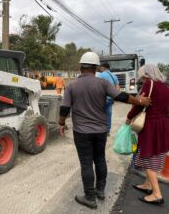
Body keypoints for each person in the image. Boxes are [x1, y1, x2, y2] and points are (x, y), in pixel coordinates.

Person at [58, 51, 151, 209]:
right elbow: (122, 96)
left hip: (81, 132)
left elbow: (65, 108)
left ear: (81, 67)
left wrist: (61, 123)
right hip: (101, 130)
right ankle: (100, 191)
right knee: (100, 159)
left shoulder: (72, 85)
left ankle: (89, 197)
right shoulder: (103, 84)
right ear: (96, 68)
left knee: (86, 163)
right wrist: (140, 101)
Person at [126, 64, 169, 205]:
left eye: (142, 75)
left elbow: (139, 104)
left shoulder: (149, 84)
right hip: (163, 124)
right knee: (157, 153)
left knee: (148, 155)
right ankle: (147, 185)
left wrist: (129, 117)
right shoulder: (164, 86)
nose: (141, 78)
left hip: (151, 125)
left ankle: (157, 194)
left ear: (146, 74)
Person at [97, 62, 120, 135]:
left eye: (100, 67)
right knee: (108, 114)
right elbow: (117, 87)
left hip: (101, 98)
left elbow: (97, 86)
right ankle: (107, 131)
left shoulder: (100, 75)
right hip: (110, 98)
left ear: (103, 67)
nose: (100, 68)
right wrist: (115, 96)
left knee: (99, 114)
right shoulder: (114, 76)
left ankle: (100, 130)